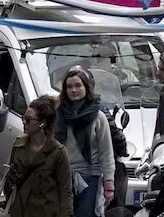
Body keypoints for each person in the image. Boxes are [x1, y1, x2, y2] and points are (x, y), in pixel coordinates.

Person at [56, 67, 114, 217]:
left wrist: (109, 186)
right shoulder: (59, 116)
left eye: (78, 85)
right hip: (62, 177)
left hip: (90, 176)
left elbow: (106, 154)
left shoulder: (98, 116)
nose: (73, 90)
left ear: (86, 87)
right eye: (69, 86)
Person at [4, 95, 76, 217]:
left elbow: (65, 191)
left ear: (42, 123)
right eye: (23, 118)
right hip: (19, 210)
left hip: (45, 211)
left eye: (28, 120)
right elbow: (9, 179)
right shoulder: (18, 145)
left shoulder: (58, 152)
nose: (23, 122)